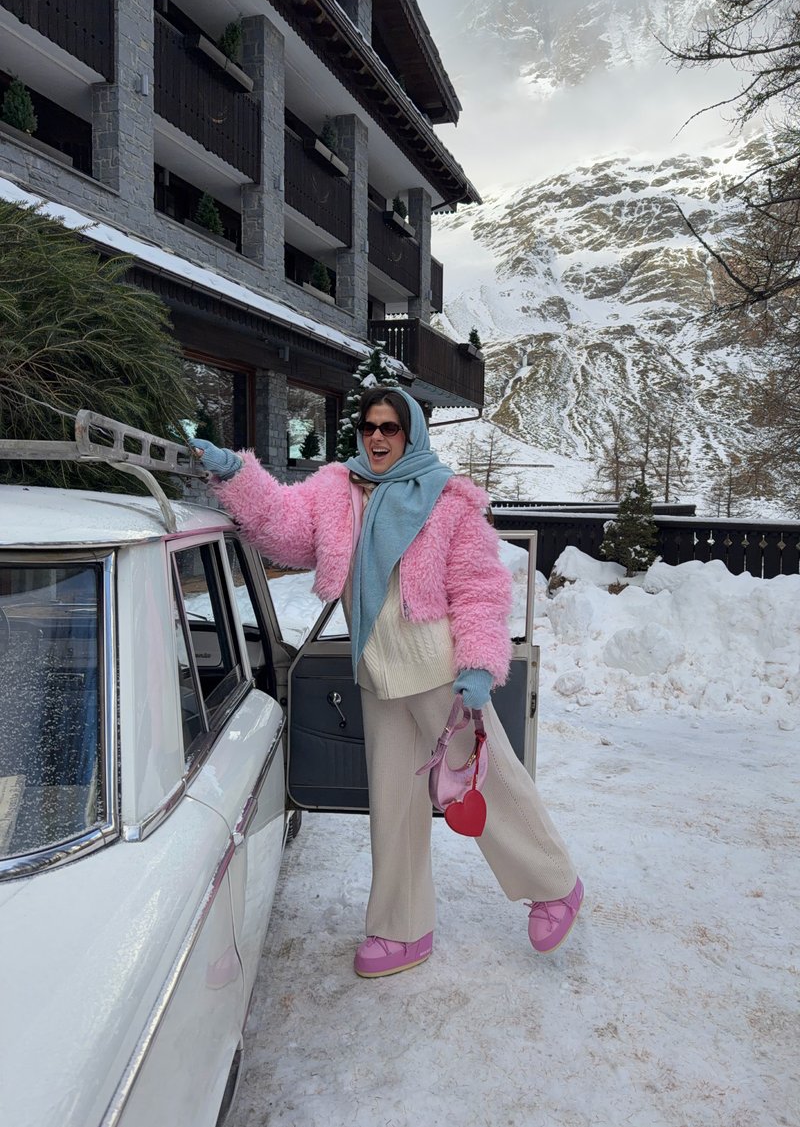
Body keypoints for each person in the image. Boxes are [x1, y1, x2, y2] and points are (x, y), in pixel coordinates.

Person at [193, 386, 583, 978]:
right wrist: (236, 474)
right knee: (393, 808)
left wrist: (479, 663)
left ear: (412, 434)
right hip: (376, 674)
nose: (378, 438)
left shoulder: (447, 500)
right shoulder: (336, 491)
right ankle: (401, 929)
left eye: (391, 428)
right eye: (370, 427)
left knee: (491, 780)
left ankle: (555, 884)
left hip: (439, 675)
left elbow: (479, 587)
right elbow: (282, 526)